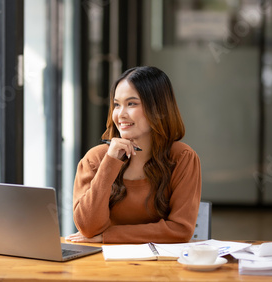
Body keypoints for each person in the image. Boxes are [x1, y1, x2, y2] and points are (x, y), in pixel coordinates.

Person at [66, 66, 201, 244]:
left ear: (159, 109)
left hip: (161, 267)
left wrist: (109, 236)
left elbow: (180, 230)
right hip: (103, 264)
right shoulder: (95, 159)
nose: (120, 114)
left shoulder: (182, 157)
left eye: (132, 104)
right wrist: (111, 162)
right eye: (116, 105)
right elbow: (88, 228)